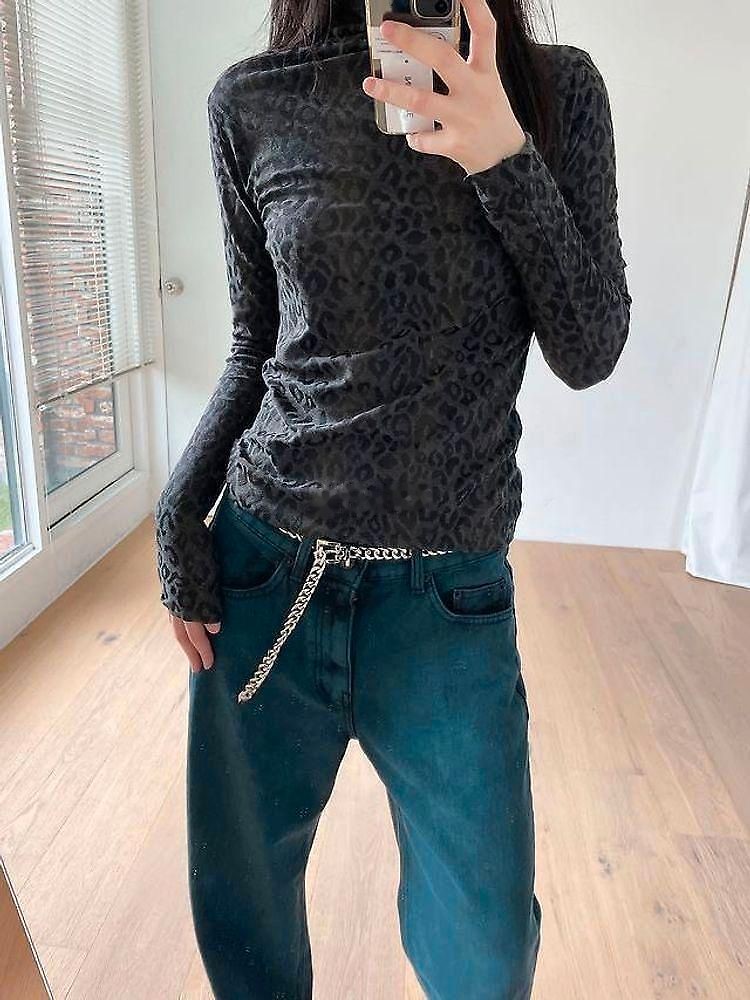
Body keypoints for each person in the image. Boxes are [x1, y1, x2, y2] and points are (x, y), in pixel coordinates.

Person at [154, 0, 631, 995]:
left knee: (485, 956)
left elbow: (590, 348)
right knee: (243, 919)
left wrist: (504, 156)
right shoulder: (252, 101)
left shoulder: (556, 91)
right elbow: (254, 344)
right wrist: (176, 514)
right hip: (265, 575)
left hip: (446, 603)